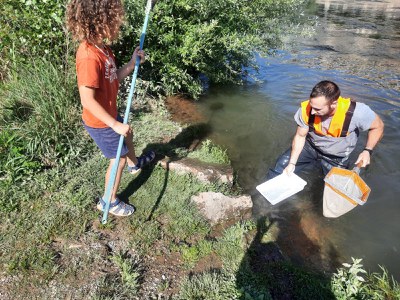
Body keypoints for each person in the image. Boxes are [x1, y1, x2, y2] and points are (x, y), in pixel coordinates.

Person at [66, 0, 155, 217]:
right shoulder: (88, 56)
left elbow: (112, 78)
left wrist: (131, 65)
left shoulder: (102, 48)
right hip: (100, 121)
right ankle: (108, 201)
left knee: (128, 135)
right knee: (118, 158)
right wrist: (114, 124)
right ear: (100, 21)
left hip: (109, 114)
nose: (118, 23)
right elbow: (87, 100)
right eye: (114, 19)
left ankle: (135, 165)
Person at [266, 80, 384, 180]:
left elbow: (378, 127)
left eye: (317, 109)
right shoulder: (306, 109)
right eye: (312, 106)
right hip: (310, 147)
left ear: (333, 104)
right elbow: (300, 136)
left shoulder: (357, 112)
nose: (312, 112)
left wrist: (367, 150)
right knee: (280, 169)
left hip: (336, 157)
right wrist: (292, 163)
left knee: (332, 188)